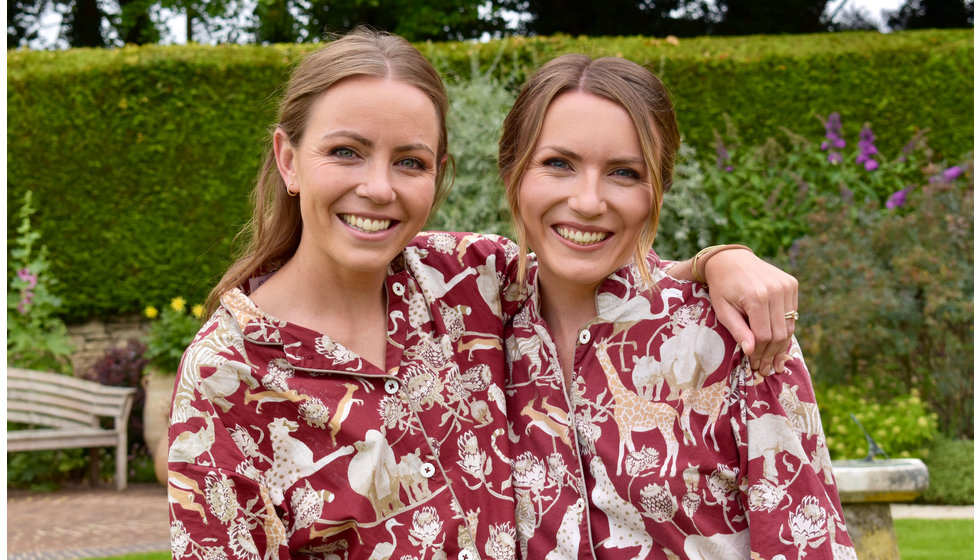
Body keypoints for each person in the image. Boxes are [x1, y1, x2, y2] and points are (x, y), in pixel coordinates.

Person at [168, 28, 803, 559]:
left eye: (410, 162)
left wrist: (722, 261)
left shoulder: (464, 281)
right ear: (288, 159)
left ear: (438, 176)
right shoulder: (227, 373)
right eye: (346, 152)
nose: (380, 188)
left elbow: (601, 262)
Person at [499, 54, 856, 559]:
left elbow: (806, 540)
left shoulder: (735, 334)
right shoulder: (472, 321)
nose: (588, 201)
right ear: (511, 169)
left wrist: (721, 260)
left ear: (658, 190)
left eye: (624, 173)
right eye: (558, 164)